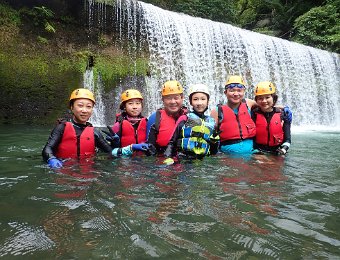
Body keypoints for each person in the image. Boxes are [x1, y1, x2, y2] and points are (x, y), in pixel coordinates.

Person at [42, 88, 112, 168]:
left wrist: (116, 143)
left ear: (92, 110)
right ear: (72, 107)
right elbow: (47, 149)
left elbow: (110, 151)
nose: (84, 110)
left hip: (87, 173)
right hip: (63, 169)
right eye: (80, 105)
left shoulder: (94, 133)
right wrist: (51, 159)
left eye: (88, 107)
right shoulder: (62, 128)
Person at [163, 84, 219, 163]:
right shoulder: (185, 118)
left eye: (203, 99)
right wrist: (168, 157)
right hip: (183, 159)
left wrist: (215, 142)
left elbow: (214, 151)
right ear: (190, 102)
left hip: (203, 161)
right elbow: (172, 142)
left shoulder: (211, 122)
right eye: (195, 99)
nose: (199, 103)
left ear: (208, 102)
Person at [210, 75, 258, 154]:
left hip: (252, 153)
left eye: (239, 90)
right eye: (232, 90)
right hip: (228, 156)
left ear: (243, 92)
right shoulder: (217, 111)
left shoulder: (248, 103)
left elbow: (266, 106)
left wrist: (280, 108)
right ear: (225, 92)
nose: (236, 94)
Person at [105, 89, 154, 157]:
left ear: (141, 106)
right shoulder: (118, 125)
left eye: (138, 103)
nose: (135, 107)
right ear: (124, 107)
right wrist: (115, 143)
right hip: (125, 161)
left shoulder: (147, 123)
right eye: (130, 103)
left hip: (143, 160)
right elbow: (111, 152)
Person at [146, 80, 188, 155]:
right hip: (162, 162)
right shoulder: (155, 118)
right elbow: (149, 149)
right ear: (163, 100)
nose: (172, 102)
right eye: (168, 98)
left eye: (176, 98)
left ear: (182, 98)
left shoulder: (190, 117)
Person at [251, 81, 291, 155]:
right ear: (256, 100)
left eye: (267, 97)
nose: (264, 101)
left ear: (273, 98)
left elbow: (287, 140)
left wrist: (283, 150)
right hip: (258, 152)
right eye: (260, 98)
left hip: (278, 152)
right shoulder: (253, 114)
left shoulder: (283, 115)